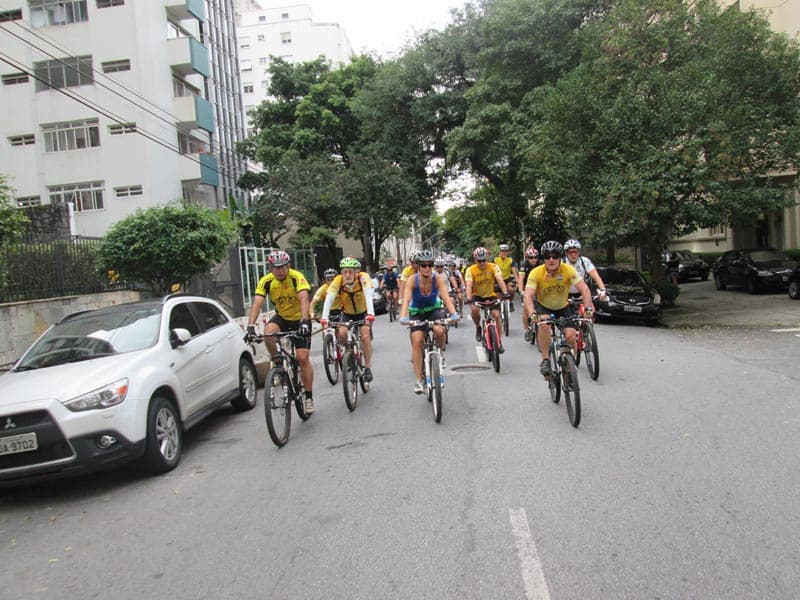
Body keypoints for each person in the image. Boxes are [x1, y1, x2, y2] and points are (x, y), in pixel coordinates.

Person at [246, 250, 315, 414]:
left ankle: (308, 397)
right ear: (271, 268)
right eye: (276, 268)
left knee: (302, 358)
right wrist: (250, 326)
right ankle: (278, 363)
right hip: (282, 317)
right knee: (268, 332)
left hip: (299, 319)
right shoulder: (266, 281)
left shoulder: (296, 277)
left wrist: (305, 321)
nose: (280, 270)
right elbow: (257, 303)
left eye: (283, 267)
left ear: (288, 265)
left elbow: (304, 298)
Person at [524, 240, 594, 378]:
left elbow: (584, 289)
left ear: (560, 257)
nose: (551, 260)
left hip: (563, 306)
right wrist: (532, 314)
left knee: (570, 335)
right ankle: (545, 359)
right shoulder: (536, 273)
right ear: (543, 258)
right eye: (547, 256)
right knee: (544, 326)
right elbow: (528, 295)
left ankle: (566, 357)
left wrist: (588, 309)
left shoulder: (568, 270)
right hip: (544, 306)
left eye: (555, 256)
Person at [399, 250, 459, 394]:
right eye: (423, 265)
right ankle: (418, 380)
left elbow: (446, 298)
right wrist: (403, 316)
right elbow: (406, 300)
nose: (427, 268)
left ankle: (440, 354)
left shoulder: (437, 279)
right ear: (418, 266)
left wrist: (454, 314)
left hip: (433, 309)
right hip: (416, 312)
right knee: (417, 340)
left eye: (430, 265)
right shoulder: (412, 280)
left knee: (440, 331)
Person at [320, 257, 375, 382]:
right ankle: (349, 354)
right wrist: (324, 318)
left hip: (363, 313)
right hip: (347, 313)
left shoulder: (363, 278)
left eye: (350, 271)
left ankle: (367, 367)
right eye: (344, 272)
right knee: (342, 333)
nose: (347, 275)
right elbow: (329, 297)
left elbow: (368, 294)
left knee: (365, 336)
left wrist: (370, 314)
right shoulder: (338, 280)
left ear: (356, 272)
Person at [464, 246, 508, 350]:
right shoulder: (470, 270)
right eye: (479, 261)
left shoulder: (494, 267)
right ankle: (478, 327)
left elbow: (500, 280)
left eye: (484, 260)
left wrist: (505, 293)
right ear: (475, 260)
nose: (482, 263)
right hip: (477, 296)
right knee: (474, 310)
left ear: (487, 258)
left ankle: (499, 341)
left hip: (490, 295)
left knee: (496, 315)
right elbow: (469, 284)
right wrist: (469, 298)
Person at [518, 246, 540, 340]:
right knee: (526, 309)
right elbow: (521, 279)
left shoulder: (541, 264)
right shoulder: (524, 265)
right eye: (531, 258)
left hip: (538, 288)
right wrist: (521, 290)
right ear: (527, 258)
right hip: (527, 288)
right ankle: (527, 330)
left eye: (535, 257)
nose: (533, 259)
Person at [494, 243, 519, 310]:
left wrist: (518, 282)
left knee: (511, 289)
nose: (504, 253)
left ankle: (510, 302)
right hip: (498, 279)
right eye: (502, 251)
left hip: (507, 278)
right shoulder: (495, 259)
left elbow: (514, 271)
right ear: (499, 252)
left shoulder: (510, 260)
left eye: (506, 251)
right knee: (497, 297)